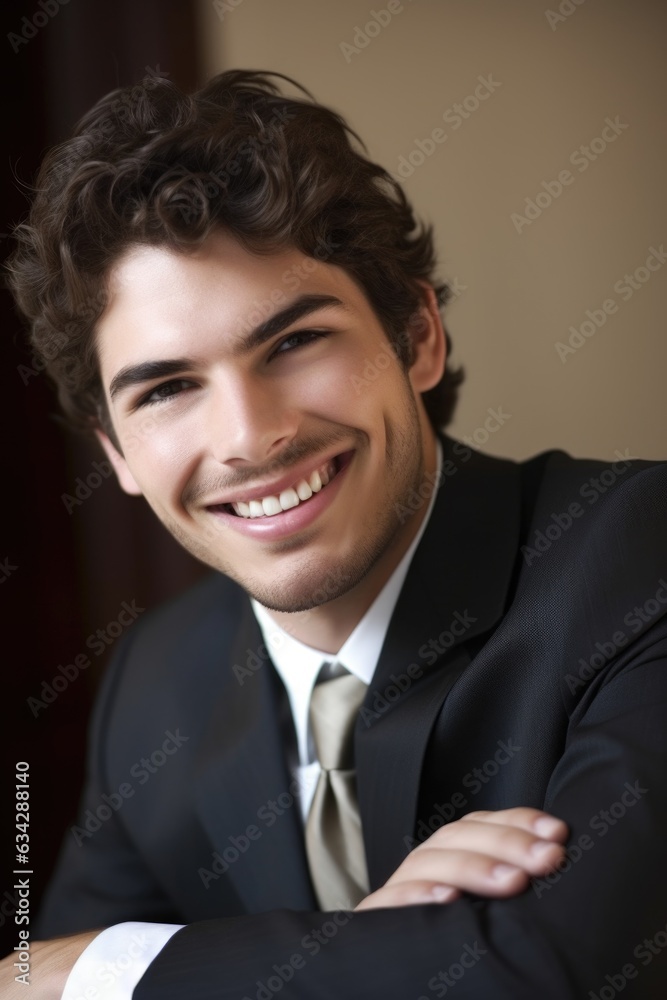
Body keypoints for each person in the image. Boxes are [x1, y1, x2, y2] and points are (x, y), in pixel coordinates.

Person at [4, 69, 667, 999]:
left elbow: (551, 969)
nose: (248, 437)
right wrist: (364, 947)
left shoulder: (637, 555)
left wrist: (94, 972)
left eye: (292, 342)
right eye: (166, 389)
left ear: (417, 336)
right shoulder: (155, 680)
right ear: (116, 453)